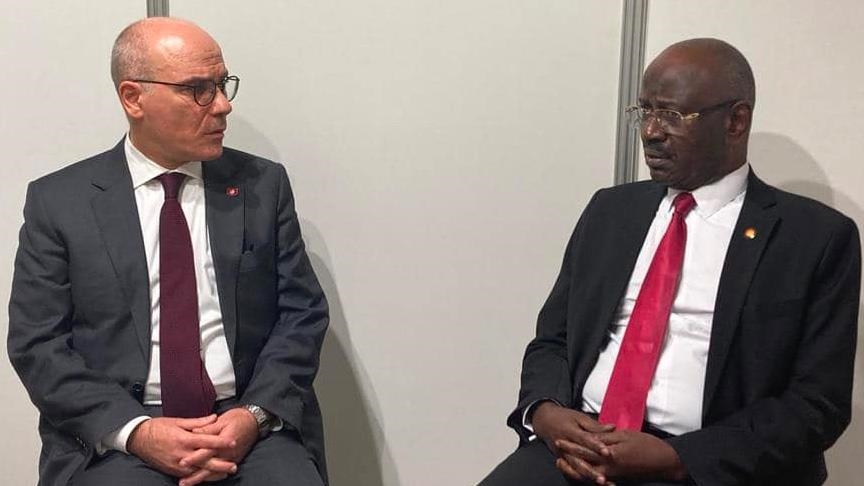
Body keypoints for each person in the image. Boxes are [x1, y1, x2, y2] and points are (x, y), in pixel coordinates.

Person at [480, 38, 860, 486]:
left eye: (672, 115)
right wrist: (545, 412)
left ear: (736, 121)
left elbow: (817, 404)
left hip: (707, 465)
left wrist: (677, 457)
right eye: (644, 111)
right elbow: (553, 339)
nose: (650, 131)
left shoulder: (814, 237)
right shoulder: (610, 211)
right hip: (580, 443)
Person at [8, 17, 328, 486]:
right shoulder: (59, 202)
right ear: (133, 98)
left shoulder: (262, 185)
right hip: (121, 433)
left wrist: (253, 415)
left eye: (222, 84)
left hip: (245, 422)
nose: (223, 105)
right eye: (198, 89)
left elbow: (302, 314)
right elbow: (38, 344)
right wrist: (137, 431)